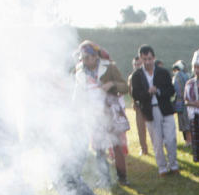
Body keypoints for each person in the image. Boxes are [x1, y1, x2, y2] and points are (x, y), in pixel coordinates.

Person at [74, 40, 130, 185]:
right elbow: (77, 97)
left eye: (88, 57)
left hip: (110, 112)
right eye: (83, 58)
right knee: (99, 148)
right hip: (93, 115)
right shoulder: (79, 73)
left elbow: (125, 87)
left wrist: (112, 84)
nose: (85, 61)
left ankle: (122, 178)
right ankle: (105, 179)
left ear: (95, 57)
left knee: (116, 145)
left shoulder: (109, 68)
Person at [130, 45, 178, 176]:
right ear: (141, 59)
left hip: (166, 109)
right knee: (156, 142)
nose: (147, 62)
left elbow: (171, 90)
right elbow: (135, 95)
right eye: (144, 59)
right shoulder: (137, 75)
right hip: (150, 111)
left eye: (149, 59)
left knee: (170, 139)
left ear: (154, 58)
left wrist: (159, 91)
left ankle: (174, 165)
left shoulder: (163, 72)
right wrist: (148, 93)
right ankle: (162, 168)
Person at [128, 56, 150, 156]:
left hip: (148, 104)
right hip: (138, 105)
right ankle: (144, 148)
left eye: (139, 64)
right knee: (140, 128)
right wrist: (133, 102)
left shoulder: (146, 75)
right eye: (135, 65)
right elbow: (131, 92)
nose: (137, 66)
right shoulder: (131, 77)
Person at [172, 61, 191, 144]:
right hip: (189, 101)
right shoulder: (187, 75)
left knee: (185, 123)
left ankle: (189, 141)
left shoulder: (178, 76)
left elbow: (178, 90)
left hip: (182, 102)